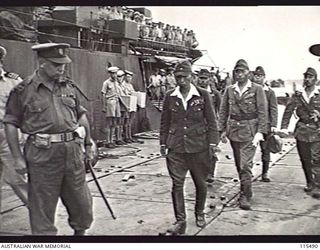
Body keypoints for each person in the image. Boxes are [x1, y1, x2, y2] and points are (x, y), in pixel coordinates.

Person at [4, 43, 94, 235]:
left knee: (82, 206)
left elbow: (81, 115)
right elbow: (11, 123)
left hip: (73, 154)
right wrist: (18, 157)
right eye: (56, 64)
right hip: (42, 155)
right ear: (42, 63)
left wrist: (89, 144)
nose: (61, 68)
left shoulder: (69, 86)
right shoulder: (22, 90)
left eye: (63, 64)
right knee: (42, 209)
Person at [160, 60, 219, 235]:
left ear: (191, 76)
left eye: (184, 77)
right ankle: (180, 220)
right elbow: (164, 122)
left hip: (198, 148)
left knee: (200, 183)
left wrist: (212, 145)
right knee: (177, 184)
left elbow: (212, 122)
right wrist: (163, 143)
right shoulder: (170, 96)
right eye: (178, 77)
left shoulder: (203, 95)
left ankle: (199, 212)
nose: (181, 80)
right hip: (176, 148)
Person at [219, 59, 267, 210]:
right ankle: (244, 187)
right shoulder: (229, 90)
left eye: (242, 71)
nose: (239, 74)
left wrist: (260, 132)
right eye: (237, 72)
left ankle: (246, 194)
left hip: (250, 131)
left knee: (245, 164)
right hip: (233, 131)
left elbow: (262, 112)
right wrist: (221, 130)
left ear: (248, 73)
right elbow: (223, 111)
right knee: (239, 163)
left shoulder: (257, 89)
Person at [280, 67, 320, 198]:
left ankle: (318, 185)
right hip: (302, 130)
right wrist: (284, 127)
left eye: (310, 77)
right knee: (305, 159)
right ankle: (310, 182)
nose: (307, 80)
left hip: (317, 131)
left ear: (316, 79)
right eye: (306, 77)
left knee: (317, 159)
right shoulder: (298, 95)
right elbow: (288, 111)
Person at [0, 45, 28, 209]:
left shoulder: (14, 82)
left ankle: (39, 214)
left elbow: (27, 109)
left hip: (7, 134)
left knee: (16, 179)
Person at [252, 66, 278, 182]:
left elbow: (273, 109)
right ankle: (249, 171)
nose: (258, 78)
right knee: (249, 150)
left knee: (265, 150)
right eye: (256, 75)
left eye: (260, 76)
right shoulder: (250, 90)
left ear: (264, 77)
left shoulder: (269, 92)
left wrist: (273, 124)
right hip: (252, 124)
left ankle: (265, 172)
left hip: (266, 125)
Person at [197, 68, 221, 183]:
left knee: (211, 150)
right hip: (197, 126)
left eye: (204, 78)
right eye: (200, 78)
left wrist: (221, 128)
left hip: (211, 127)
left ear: (209, 79)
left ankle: (210, 173)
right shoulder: (194, 92)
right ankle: (202, 172)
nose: (202, 81)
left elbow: (221, 111)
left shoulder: (215, 94)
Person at [101, 66, 121, 148]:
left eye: (115, 73)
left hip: (116, 102)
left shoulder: (116, 83)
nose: (114, 75)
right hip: (110, 102)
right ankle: (107, 141)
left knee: (115, 123)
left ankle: (112, 140)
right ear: (110, 74)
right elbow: (103, 94)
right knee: (109, 123)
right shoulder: (106, 83)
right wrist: (104, 106)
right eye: (113, 73)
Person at [122, 70, 137, 143]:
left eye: (130, 77)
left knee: (130, 122)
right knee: (126, 122)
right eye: (127, 77)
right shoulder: (123, 85)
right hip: (127, 105)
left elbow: (133, 93)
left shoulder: (131, 85)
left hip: (132, 104)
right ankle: (126, 136)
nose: (129, 79)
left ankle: (129, 136)